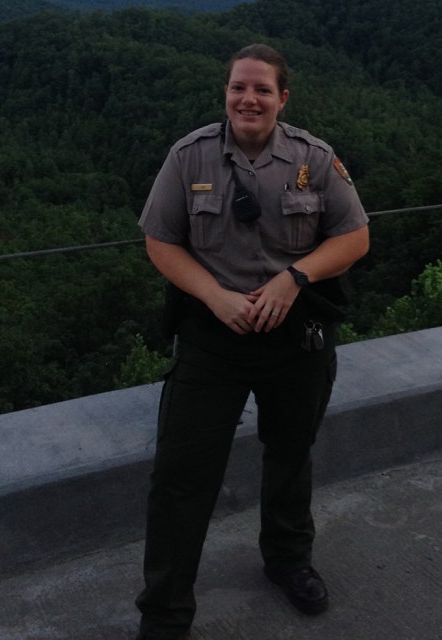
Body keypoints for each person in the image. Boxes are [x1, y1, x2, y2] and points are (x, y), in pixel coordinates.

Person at [134, 43, 370, 640]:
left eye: (263, 89)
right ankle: (165, 611)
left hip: (295, 338)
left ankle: (288, 561)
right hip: (213, 338)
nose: (249, 98)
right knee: (182, 475)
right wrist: (214, 296)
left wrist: (295, 279)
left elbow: (355, 236)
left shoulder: (313, 159)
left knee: (290, 455)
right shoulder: (189, 158)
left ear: (282, 98)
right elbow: (160, 241)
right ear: (226, 93)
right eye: (239, 87)